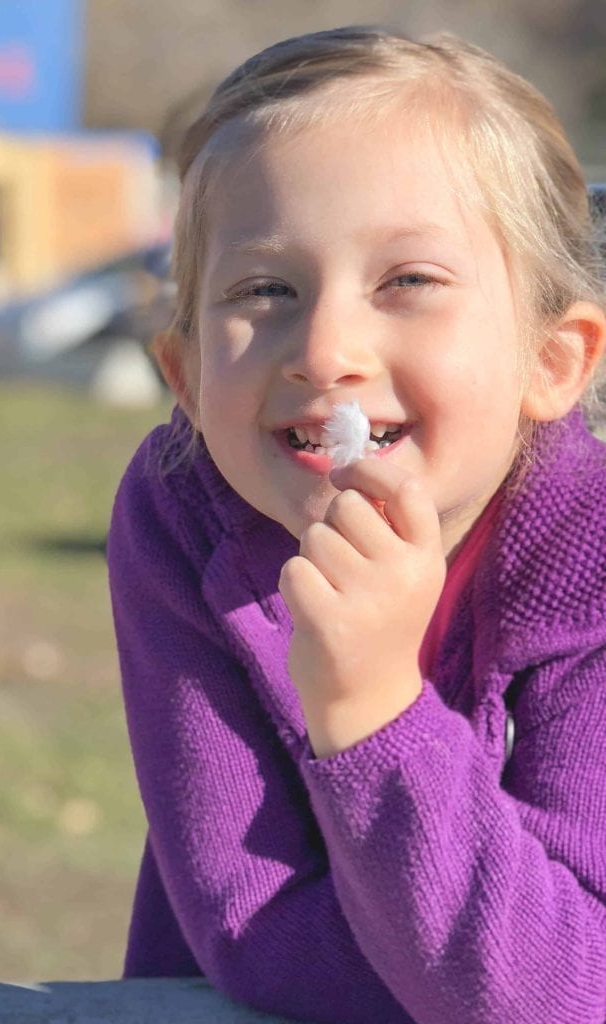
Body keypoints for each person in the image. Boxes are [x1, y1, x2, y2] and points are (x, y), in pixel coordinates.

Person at [106, 26, 606, 1024]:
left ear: (551, 362)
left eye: (407, 282)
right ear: (188, 378)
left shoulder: (587, 549)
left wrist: (372, 709)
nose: (326, 348)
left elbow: (568, 985)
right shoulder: (182, 516)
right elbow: (256, 927)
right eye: (264, 290)